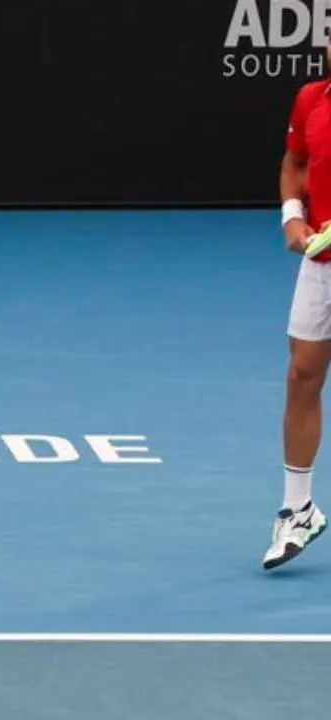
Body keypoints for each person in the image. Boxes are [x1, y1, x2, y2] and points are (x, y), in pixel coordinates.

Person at [263, 66, 331, 570]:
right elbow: (294, 162)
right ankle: (298, 509)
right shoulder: (312, 96)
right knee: (302, 375)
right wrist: (292, 213)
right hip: (322, 259)